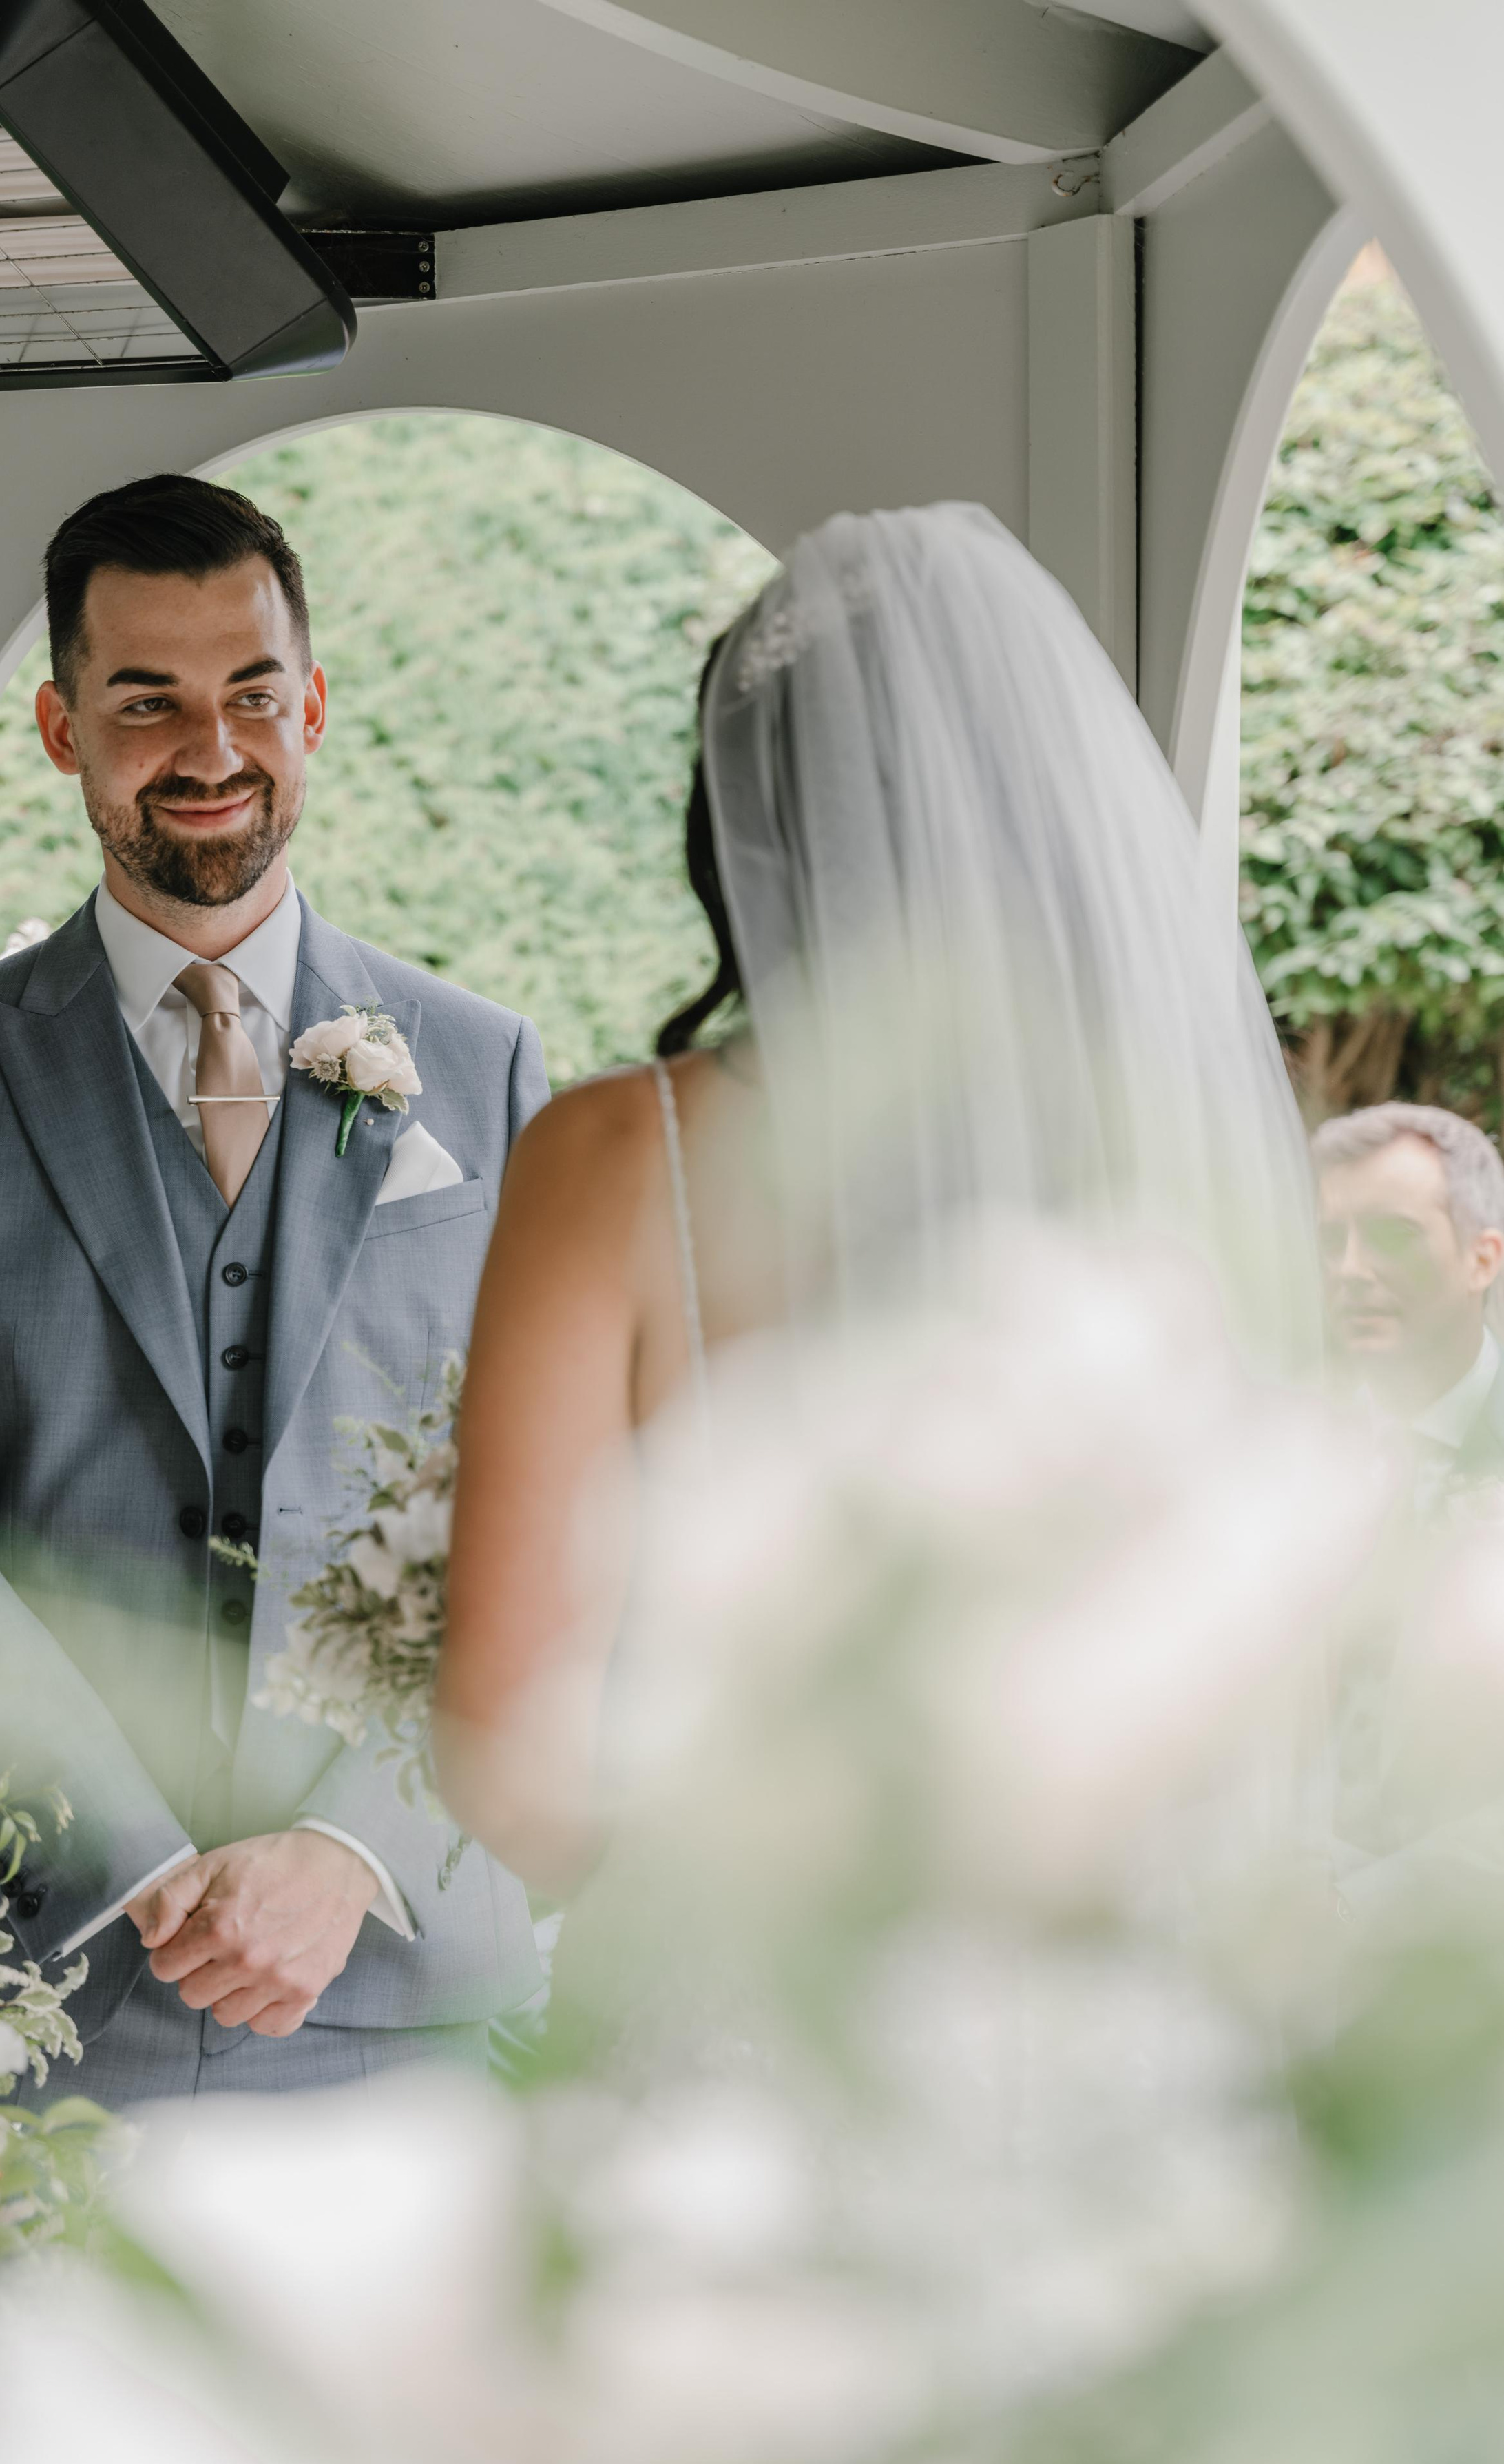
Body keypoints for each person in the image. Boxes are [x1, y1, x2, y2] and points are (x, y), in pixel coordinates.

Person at [432, 503, 1317, 1890]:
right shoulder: (1175, 1153)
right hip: (1118, 1986)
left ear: (745, 823)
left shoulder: (618, 1160)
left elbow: (504, 1738)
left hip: (748, 2000)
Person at [0, 473, 549, 2103]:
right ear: (64, 729)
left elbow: (553, 1515)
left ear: (315, 708)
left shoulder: (485, 1069)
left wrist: (352, 1845)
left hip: (398, 1974)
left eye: (251, 695)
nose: (210, 748)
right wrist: (128, 1857)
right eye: (146, 703)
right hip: (42, 1998)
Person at [1313, 1101, 1504, 1499]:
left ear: (1482, 1261)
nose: (1349, 1269)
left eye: (1393, 1237)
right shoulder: (1292, 1450)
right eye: (1332, 1241)